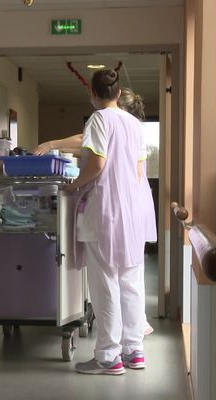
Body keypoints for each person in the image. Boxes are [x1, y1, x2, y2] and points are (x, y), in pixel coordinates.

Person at [35, 87, 157, 336]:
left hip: (111, 209)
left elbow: (88, 147)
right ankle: (133, 344)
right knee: (129, 275)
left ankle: (110, 352)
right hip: (132, 209)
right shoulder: (133, 128)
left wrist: (53, 149)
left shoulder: (107, 121)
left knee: (108, 279)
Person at [66, 70, 154, 375]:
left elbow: (97, 164)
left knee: (105, 283)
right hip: (132, 212)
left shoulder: (99, 119)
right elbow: (139, 172)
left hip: (105, 210)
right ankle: (134, 351)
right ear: (118, 93)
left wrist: (73, 185)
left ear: (94, 93)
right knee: (131, 281)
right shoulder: (134, 124)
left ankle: (107, 356)